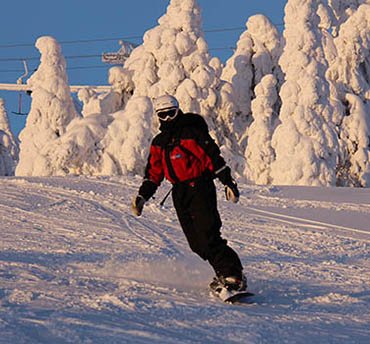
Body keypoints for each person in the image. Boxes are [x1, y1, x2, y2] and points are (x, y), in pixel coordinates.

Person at [131, 95, 246, 292]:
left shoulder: (193, 134)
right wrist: (142, 197)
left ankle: (232, 275)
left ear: (178, 111)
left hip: (200, 188)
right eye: (163, 115)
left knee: (208, 233)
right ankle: (223, 273)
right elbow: (153, 174)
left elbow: (213, 159)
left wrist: (228, 182)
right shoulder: (159, 142)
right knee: (196, 243)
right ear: (158, 117)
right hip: (179, 192)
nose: (168, 119)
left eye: (171, 113)